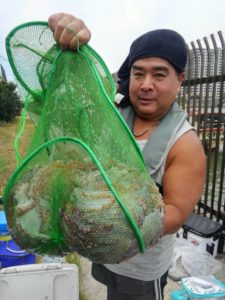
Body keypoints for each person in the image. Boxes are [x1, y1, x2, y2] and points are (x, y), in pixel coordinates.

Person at [48, 13, 206, 300]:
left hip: (142, 270)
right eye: (138, 73)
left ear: (180, 80)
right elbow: (74, 93)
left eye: (159, 75)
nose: (146, 84)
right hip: (105, 257)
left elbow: (175, 213)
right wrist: (72, 38)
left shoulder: (185, 144)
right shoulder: (114, 113)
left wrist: (100, 221)